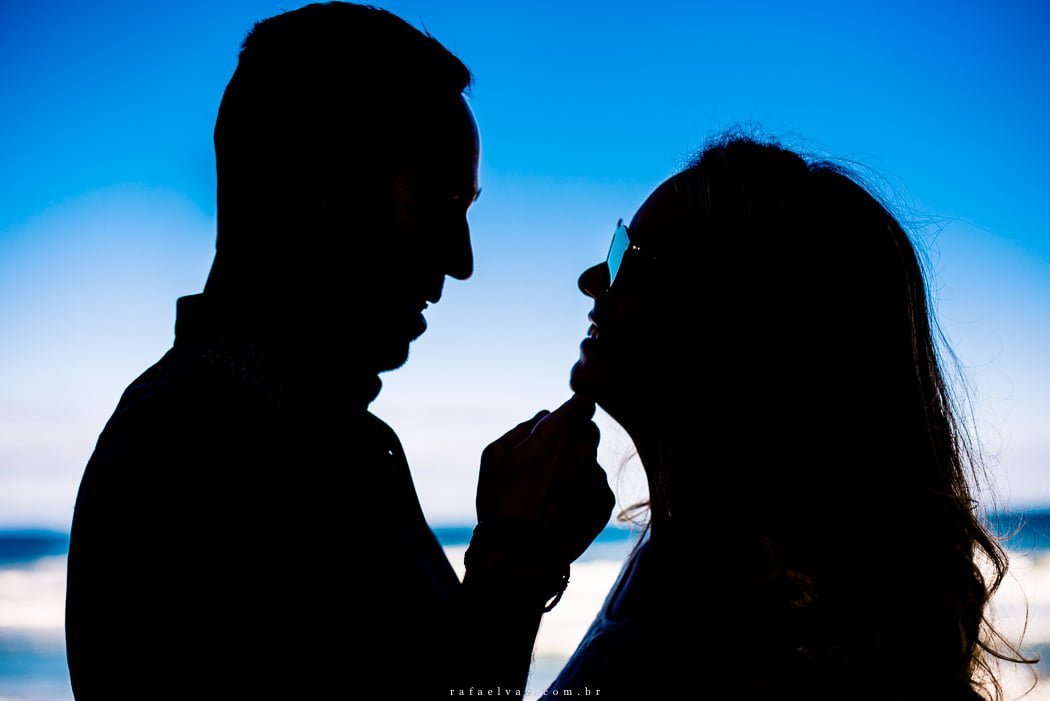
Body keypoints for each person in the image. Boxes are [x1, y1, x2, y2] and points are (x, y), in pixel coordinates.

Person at [65, 4, 614, 698]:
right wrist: (514, 561)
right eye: (439, 203)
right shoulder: (192, 459)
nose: (462, 260)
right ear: (320, 191)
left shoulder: (320, 438)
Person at [549, 136, 1031, 699]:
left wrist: (508, 576)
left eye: (629, 260)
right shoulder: (681, 556)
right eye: (616, 247)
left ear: (737, 320)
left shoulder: (755, 642)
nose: (593, 279)